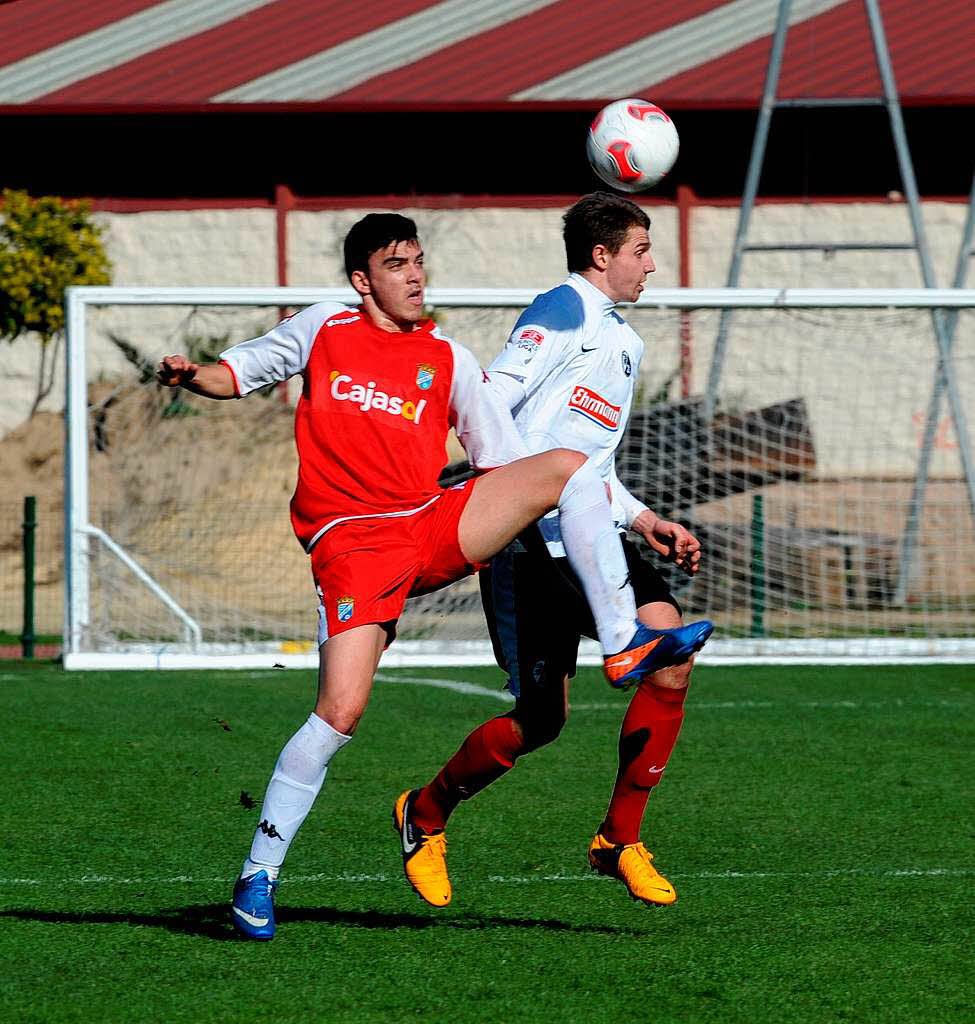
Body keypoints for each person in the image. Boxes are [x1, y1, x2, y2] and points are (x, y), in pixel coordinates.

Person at [156, 212, 713, 940]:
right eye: (396, 265)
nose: (415, 276)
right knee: (340, 713)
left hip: (428, 523)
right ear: (362, 281)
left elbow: (505, 456)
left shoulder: (447, 356)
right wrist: (196, 375)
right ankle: (258, 875)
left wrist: (623, 515)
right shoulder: (324, 327)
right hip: (354, 543)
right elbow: (242, 372)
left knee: (565, 469)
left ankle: (622, 644)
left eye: (419, 262)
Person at [395, 193, 706, 911]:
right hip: (528, 538)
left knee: (672, 662)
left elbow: (585, 463)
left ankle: (617, 838)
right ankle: (425, 812)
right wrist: (445, 466)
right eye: (639, 249)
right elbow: (495, 395)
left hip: (592, 533)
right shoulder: (559, 311)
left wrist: (643, 516)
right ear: (601, 255)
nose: (650, 264)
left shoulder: (622, 340)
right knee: (540, 722)